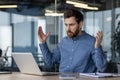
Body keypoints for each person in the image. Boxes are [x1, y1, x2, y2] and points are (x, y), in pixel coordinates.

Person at [38, 9, 107, 73]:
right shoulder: (63, 42)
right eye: (66, 25)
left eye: (71, 25)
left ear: (80, 24)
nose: (68, 29)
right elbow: (50, 62)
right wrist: (43, 43)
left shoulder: (92, 42)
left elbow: (102, 68)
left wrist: (97, 47)